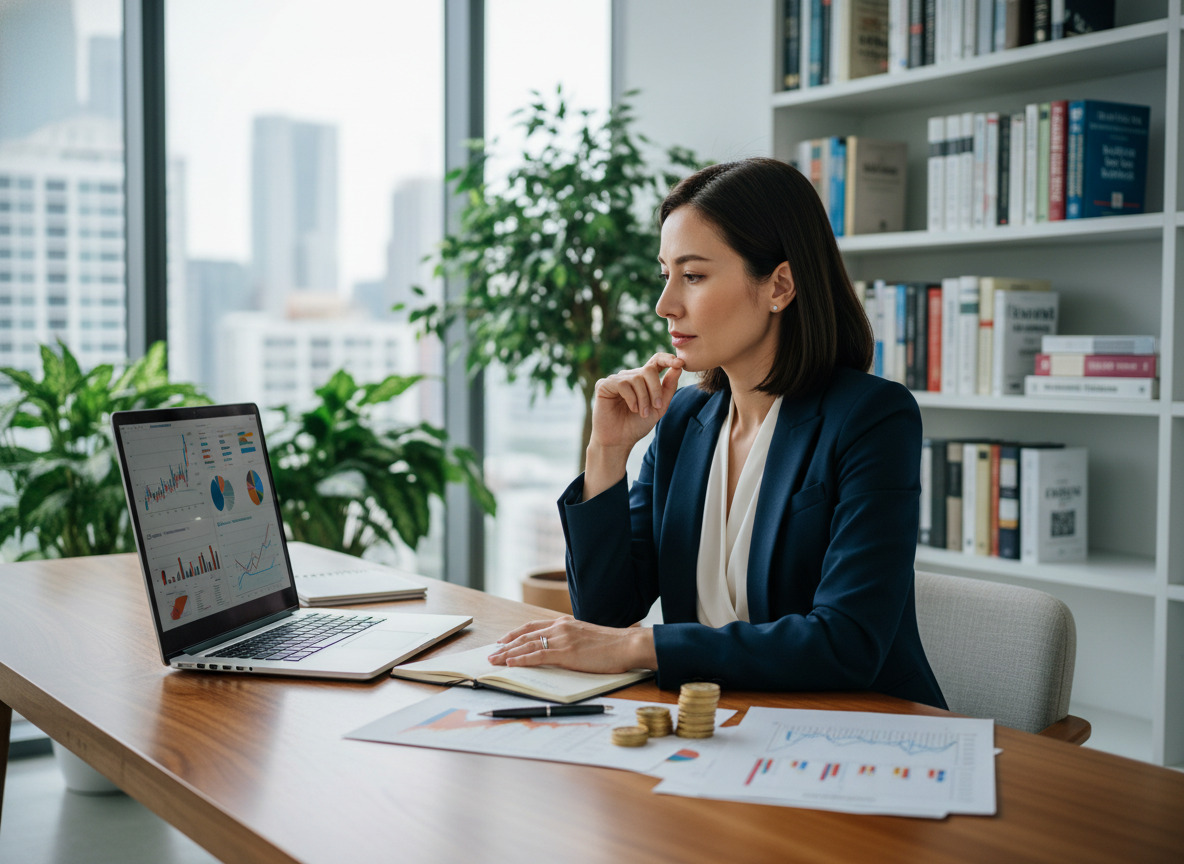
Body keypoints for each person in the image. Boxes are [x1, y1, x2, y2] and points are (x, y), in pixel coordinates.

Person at [488, 156, 947, 709]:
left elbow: (846, 643)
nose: (665, 305)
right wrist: (607, 451)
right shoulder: (684, 420)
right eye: (666, 275)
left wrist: (640, 647)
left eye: (694, 276)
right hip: (720, 722)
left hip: (857, 727)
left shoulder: (872, 418)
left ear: (779, 285)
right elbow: (604, 613)